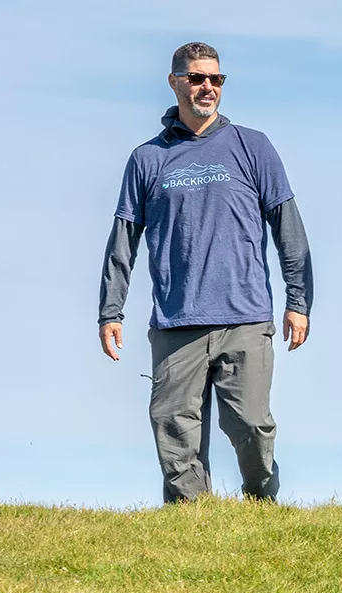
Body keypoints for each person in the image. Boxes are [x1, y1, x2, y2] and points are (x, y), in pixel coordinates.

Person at [98, 41, 312, 504]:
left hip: (245, 317)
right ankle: (190, 526)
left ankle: (262, 506)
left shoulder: (251, 146)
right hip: (177, 322)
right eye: (197, 78)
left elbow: (288, 229)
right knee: (175, 433)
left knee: (251, 425)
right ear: (175, 83)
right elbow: (123, 240)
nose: (207, 87)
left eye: (216, 79)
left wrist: (299, 301)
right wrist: (109, 311)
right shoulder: (147, 159)